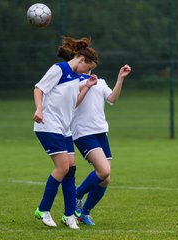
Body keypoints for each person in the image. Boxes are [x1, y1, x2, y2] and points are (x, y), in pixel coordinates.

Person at [32, 37, 99, 229]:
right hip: (48, 125)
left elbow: (73, 103)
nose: (88, 72)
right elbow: (38, 88)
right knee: (62, 167)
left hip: (64, 129)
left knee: (71, 168)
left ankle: (69, 215)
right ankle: (43, 210)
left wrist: (86, 86)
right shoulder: (59, 69)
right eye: (88, 68)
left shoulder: (75, 77)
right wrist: (39, 109)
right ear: (80, 60)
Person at [71, 64, 132, 225]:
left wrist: (120, 78)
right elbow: (73, 103)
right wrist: (86, 84)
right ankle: (76, 195)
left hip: (101, 132)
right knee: (104, 170)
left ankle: (84, 213)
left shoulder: (101, 82)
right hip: (83, 133)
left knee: (105, 179)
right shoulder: (73, 82)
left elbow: (112, 99)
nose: (81, 63)